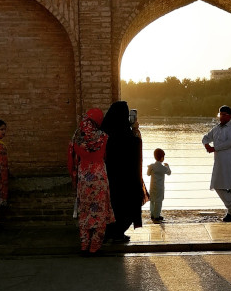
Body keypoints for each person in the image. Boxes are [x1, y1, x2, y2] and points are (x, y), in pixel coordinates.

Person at [68, 108, 115, 255]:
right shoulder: (103, 137)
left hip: (83, 178)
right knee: (99, 213)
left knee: (85, 213)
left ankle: (84, 245)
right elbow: (107, 157)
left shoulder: (77, 138)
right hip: (100, 178)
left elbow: (71, 161)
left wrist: (74, 178)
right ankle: (94, 247)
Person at [101, 101, 148, 242]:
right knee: (124, 206)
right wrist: (135, 131)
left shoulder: (104, 132)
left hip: (109, 177)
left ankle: (109, 232)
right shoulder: (125, 133)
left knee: (112, 205)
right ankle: (117, 233)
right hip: (125, 179)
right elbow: (134, 149)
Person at [202, 105, 231, 221]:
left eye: (224, 115)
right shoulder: (216, 129)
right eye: (220, 114)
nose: (222, 117)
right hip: (220, 162)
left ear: (230, 116)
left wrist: (214, 148)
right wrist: (207, 145)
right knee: (217, 185)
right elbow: (205, 138)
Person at [147, 148, 171, 223]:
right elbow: (169, 173)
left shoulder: (152, 166)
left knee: (152, 200)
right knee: (159, 201)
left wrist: (149, 168)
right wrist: (167, 166)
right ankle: (157, 216)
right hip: (160, 188)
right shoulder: (163, 168)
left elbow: (148, 174)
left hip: (153, 187)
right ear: (162, 158)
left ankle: (152, 214)